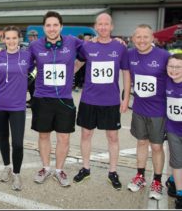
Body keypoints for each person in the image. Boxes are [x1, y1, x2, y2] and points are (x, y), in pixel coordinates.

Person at [73, 13, 130, 191]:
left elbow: (126, 73)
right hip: (89, 99)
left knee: (113, 137)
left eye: (106, 24)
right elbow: (77, 64)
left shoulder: (120, 47)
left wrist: (126, 97)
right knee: (85, 135)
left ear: (111, 27)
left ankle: (112, 172)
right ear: (95, 26)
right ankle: (86, 168)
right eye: (100, 24)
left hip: (111, 101)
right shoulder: (87, 46)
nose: (103, 27)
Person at [29, 11, 82, 187]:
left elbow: (90, 52)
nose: (52, 29)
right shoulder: (35, 45)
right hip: (42, 98)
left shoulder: (72, 42)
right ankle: (45, 167)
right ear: (44, 27)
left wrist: (73, 69)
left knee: (64, 138)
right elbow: (22, 62)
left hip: (64, 99)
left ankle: (59, 170)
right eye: (48, 25)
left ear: (61, 26)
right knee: (44, 136)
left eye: (55, 25)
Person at [125, 24, 170, 199]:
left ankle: (157, 181)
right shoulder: (129, 54)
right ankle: (140, 176)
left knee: (157, 146)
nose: (142, 40)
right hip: (139, 108)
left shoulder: (164, 56)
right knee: (141, 143)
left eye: (146, 37)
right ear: (133, 39)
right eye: (138, 37)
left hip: (159, 110)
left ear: (152, 38)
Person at [0, 26, 33, 191]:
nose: (11, 41)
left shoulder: (27, 56)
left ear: (19, 39)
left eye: (14, 38)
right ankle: (7, 166)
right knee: (3, 138)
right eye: (8, 38)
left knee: (18, 143)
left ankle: (17, 173)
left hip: (17, 106)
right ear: (3, 40)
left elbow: (38, 67)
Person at [165, 53, 182, 209]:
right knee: (177, 162)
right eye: (171, 66)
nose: (174, 70)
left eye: (178, 67)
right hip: (173, 130)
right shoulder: (165, 82)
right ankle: (180, 193)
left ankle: (172, 180)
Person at [26, 30, 38, 108]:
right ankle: (32, 99)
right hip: (30, 68)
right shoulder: (31, 44)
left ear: (34, 37)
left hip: (35, 69)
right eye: (29, 37)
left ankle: (34, 102)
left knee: (33, 85)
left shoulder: (37, 44)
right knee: (30, 86)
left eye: (30, 37)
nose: (29, 38)